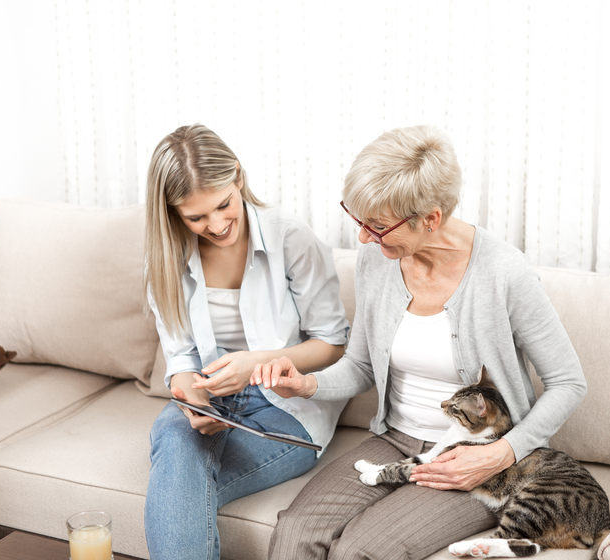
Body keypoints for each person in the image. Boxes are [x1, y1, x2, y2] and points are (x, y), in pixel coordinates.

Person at [251, 125, 587, 560]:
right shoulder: (378, 260)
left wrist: (501, 454)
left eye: (376, 226)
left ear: (430, 218)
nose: (362, 238)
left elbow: (568, 382)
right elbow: (361, 365)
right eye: (358, 221)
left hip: (475, 456)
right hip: (393, 441)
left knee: (361, 551)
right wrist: (305, 384)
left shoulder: (506, 274)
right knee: (296, 531)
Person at [142, 124, 349, 560]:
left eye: (223, 205)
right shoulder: (166, 259)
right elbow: (180, 358)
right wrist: (193, 397)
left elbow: (332, 344)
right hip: (216, 398)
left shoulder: (290, 236)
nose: (216, 226)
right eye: (196, 217)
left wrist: (255, 365)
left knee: (180, 483)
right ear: (172, 213)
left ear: (237, 176)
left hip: (288, 409)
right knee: (179, 441)